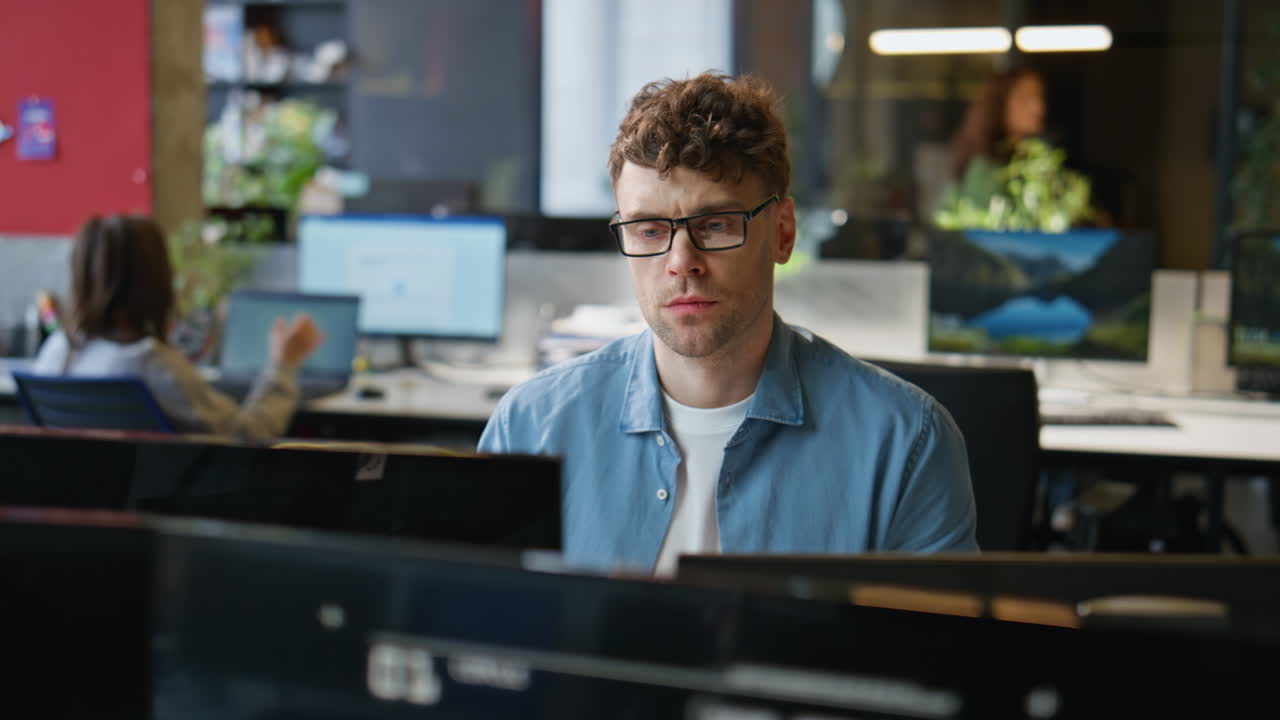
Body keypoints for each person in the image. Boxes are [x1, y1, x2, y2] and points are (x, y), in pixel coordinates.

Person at [479, 72, 977, 574]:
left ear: (782, 233)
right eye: (649, 230)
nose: (681, 262)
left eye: (715, 225)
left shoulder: (906, 440)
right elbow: (477, 635)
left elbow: (931, 652)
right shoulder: (529, 426)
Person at [31, 214, 323, 440]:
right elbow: (249, 435)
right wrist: (284, 364)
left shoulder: (56, 352)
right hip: (165, 512)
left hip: (77, 511)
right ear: (156, 279)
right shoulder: (152, 365)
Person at [948, 64, 1046, 182]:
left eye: (1039, 96)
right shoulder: (985, 170)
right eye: (1024, 98)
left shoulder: (1030, 160)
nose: (1038, 107)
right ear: (998, 104)